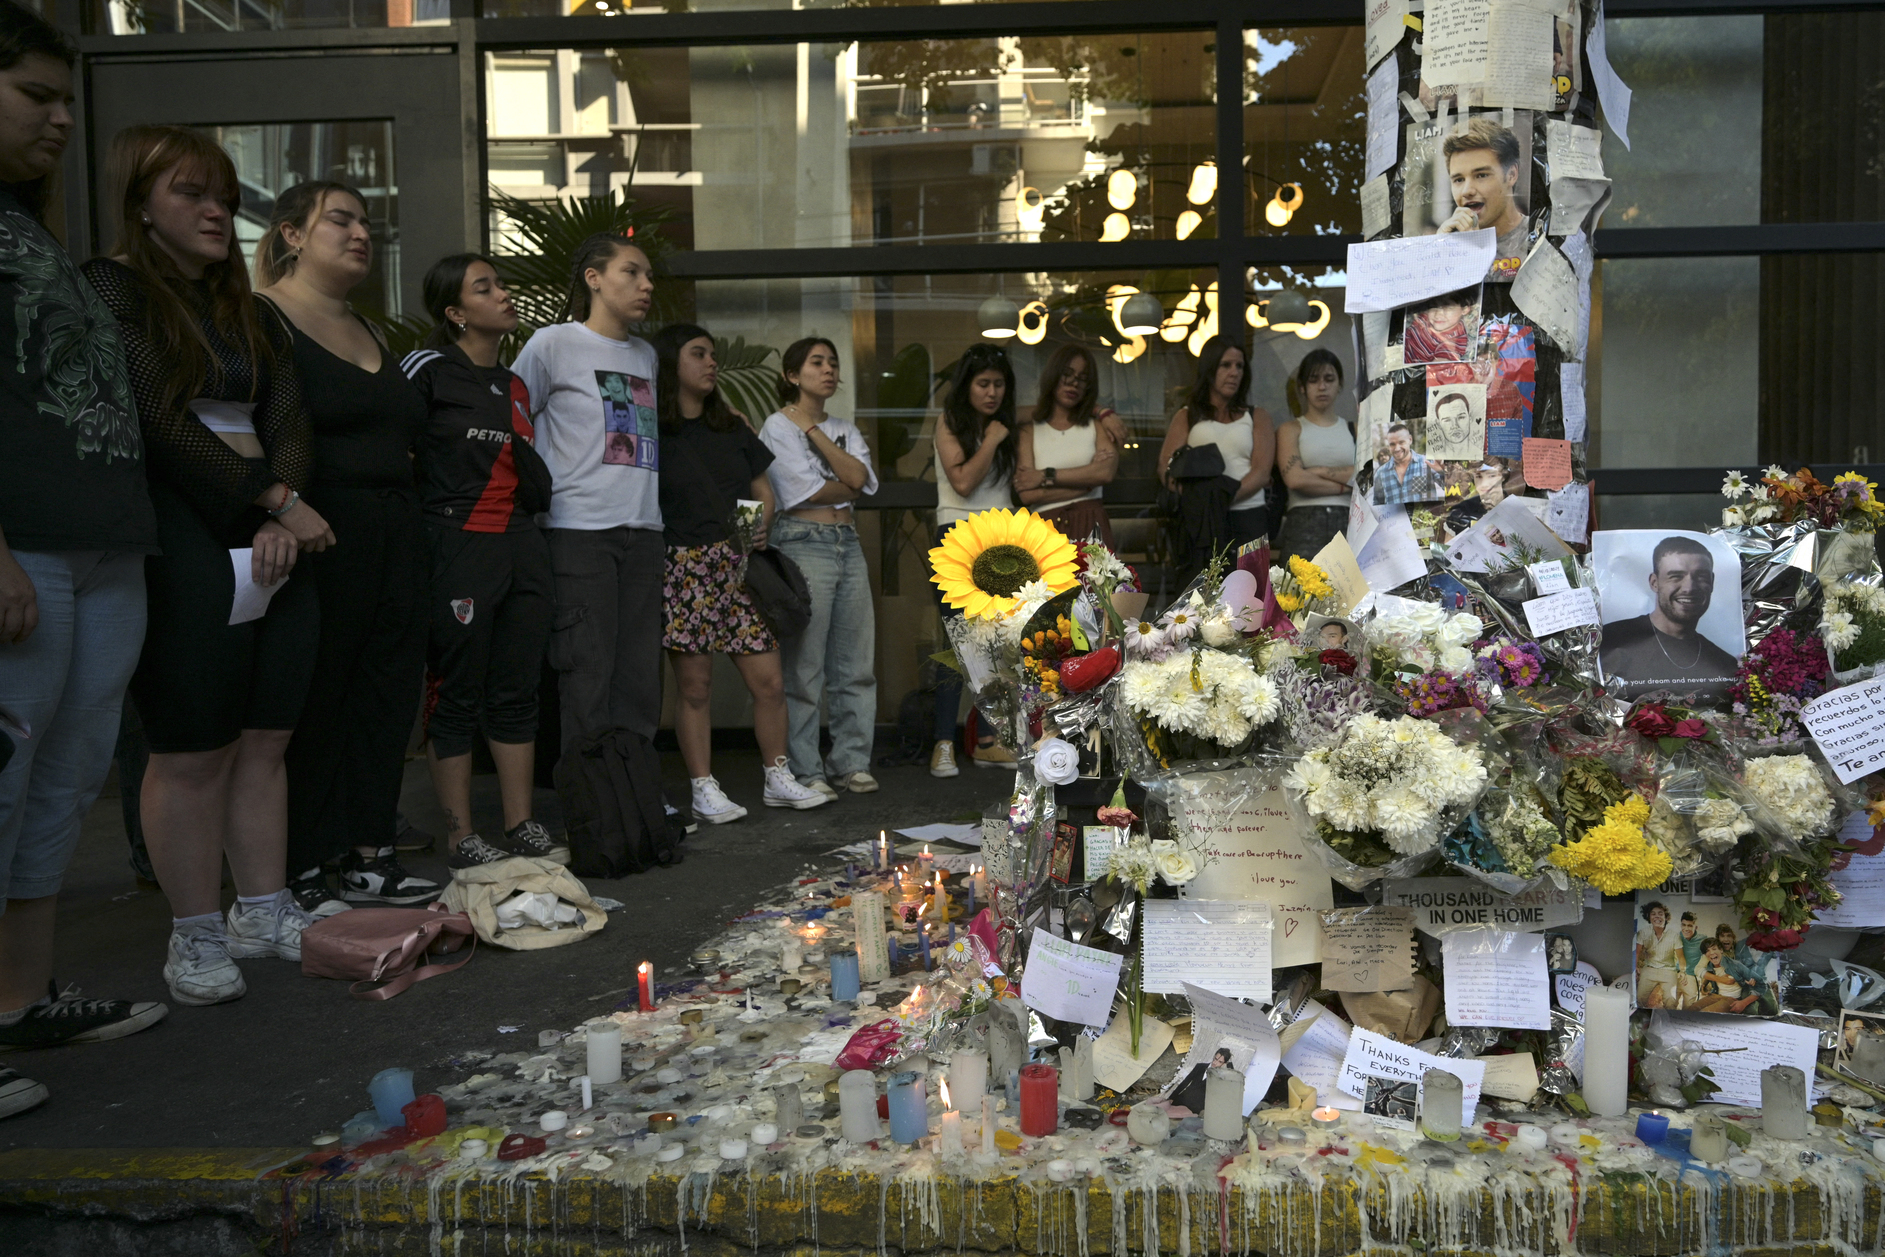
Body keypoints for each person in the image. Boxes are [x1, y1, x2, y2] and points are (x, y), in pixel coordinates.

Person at [84, 125, 332, 1007]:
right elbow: (159, 419)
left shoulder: (250, 310)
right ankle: (193, 933)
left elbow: (290, 417)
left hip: (272, 526)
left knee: (267, 735)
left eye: (222, 193)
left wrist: (282, 501)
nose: (215, 208)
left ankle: (261, 910)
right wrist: (267, 501)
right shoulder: (108, 290)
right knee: (192, 744)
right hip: (179, 527)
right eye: (190, 192)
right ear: (140, 205)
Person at [0, 5, 168, 1110]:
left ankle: (17, 1004)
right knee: (6, 782)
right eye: (36, 97)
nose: (62, 118)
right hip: (27, 555)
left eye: (68, 99)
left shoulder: (32, 229)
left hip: (103, 548)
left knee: (61, 788)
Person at [252, 181, 439, 914]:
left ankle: (370, 855)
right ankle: (299, 862)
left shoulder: (367, 326)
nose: (360, 232)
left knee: (386, 694)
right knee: (315, 697)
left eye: (365, 221)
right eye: (341, 219)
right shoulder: (262, 315)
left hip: (397, 530)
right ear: (293, 233)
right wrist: (276, 508)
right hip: (319, 533)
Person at [401, 254, 565, 871]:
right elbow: (391, 446)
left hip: (522, 543)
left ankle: (521, 823)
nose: (503, 293)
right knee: (457, 690)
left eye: (500, 283)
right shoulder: (428, 369)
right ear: (454, 312)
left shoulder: (516, 384)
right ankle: (460, 832)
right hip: (458, 540)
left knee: (518, 687)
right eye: (485, 287)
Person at [652, 323, 826, 821]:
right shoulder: (655, 431)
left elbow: (760, 487)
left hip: (738, 565)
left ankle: (778, 776)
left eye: (712, 355)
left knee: (768, 681)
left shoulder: (731, 426)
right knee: (695, 687)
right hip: (683, 565)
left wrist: (754, 529)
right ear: (671, 365)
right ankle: (703, 788)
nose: (711, 363)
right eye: (698, 354)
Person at [511, 233, 666, 773]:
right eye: (631, 272)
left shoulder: (646, 355)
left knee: (641, 678)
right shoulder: (551, 344)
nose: (646, 285)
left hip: (645, 532)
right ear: (593, 279)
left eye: (649, 276)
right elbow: (514, 424)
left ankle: (635, 799)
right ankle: (592, 806)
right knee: (587, 674)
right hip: (578, 533)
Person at [760, 338, 880, 797]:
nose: (828, 370)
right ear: (792, 376)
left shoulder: (840, 425)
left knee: (855, 662)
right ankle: (806, 769)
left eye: (833, 362)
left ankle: (851, 762)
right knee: (805, 665)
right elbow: (802, 492)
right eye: (816, 363)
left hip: (847, 542)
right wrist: (843, 478)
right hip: (802, 540)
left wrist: (812, 431)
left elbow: (862, 482)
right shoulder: (776, 425)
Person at [932, 343, 1019, 774]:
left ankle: (988, 738)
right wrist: (992, 439)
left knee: (997, 643)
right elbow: (963, 481)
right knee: (957, 642)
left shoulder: (1007, 426)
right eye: (983, 384)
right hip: (957, 535)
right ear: (965, 386)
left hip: (1000, 538)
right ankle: (943, 743)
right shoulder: (950, 422)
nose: (991, 392)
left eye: (999, 384)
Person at [1157, 336, 1273, 578]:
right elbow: (1166, 469)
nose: (1234, 373)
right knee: (1201, 601)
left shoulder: (1256, 415)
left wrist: (1219, 500)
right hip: (1200, 522)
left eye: (1239, 366)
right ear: (1210, 369)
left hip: (1248, 516)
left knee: (1251, 597)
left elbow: (1261, 472)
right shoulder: (1187, 416)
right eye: (1226, 365)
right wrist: (1199, 501)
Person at [1599, 536, 1740, 703]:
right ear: (1654, 582)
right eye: (1676, 576)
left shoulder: (1725, 664)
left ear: (1712, 582)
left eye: (1701, 577)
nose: (1689, 588)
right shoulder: (1607, 641)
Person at [1015, 344, 1121, 548]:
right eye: (1067, 374)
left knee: (1095, 580)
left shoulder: (1097, 426)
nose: (1074, 384)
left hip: (1091, 522)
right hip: (1044, 528)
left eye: (1083, 379)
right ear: (1053, 375)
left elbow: (1105, 473)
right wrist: (1088, 483)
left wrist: (1045, 476)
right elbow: (1028, 494)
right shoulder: (1029, 430)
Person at [1274, 350, 1354, 564]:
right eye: (1314, 380)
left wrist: (1318, 471)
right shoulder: (1290, 429)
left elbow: (1365, 477)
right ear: (1302, 387)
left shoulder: (1354, 429)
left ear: (1340, 385)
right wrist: (1345, 485)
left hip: (1349, 523)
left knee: (1347, 596)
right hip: (1302, 523)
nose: (1322, 386)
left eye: (1329, 379)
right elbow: (1295, 479)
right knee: (1297, 596)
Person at [1437, 119, 1529, 281]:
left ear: (1511, 175)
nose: (1467, 191)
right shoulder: (1446, 242)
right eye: (1458, 180)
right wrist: (1437, 253)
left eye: (1481, 175)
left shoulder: (1538, 240)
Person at [1371, 424, 1445, 505]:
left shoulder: (1428, 463)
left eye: (1401, 442)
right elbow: (1378, 504)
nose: (1397, 448)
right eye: (1392, 444)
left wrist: (1443, 472)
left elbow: (1452, 490)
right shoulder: (1380, 473)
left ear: (1410, 440)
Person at [1635, 901, 1688, 1009]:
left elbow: (1681, 956)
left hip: (1668, 971)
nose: (1657, 916)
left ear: (1666, 917)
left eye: (1660, 913)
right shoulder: (1643, 933)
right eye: (1653, 914)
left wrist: (1682, 971)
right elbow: (1637, 952)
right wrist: (1635, 967)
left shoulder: (1674, 935)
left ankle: (1668, 1022)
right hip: (1649, 969)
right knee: (1639, 998)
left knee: (1671, 1000)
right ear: (1649, 917)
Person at [1402, 289, 1477, 364]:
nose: (1437, 315)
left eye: (1448, 307)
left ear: (1464, 309)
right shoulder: (1425, 317)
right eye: (1433, 306)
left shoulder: (1455, 340)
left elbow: (1440, 364)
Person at [1692, 938, 1761, 1014]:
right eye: (1707, 951)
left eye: (1714, 949)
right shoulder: (1710, 965)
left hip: (1731, 998)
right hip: (1717, 995)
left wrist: (1743, 1003)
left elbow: (1760, 985)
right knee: (1691, 1009)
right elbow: (1698, 970)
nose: (1711, 952)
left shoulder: (1735, 965)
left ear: (1721, 950)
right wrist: (1706, 984)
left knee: (1705, 1013)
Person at [1170, 1045, 1233, 1113]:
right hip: (1182, 1099)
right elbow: (1185, 1082)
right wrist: (1171, 1098)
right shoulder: (1200, 1066)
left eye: (1220, 1062)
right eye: (1215, 1059)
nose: (1215, 1062)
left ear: (1224, 1064)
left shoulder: (1219, 1078)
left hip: (1196, 1108)